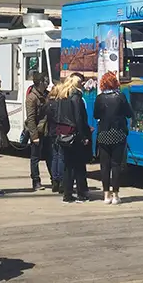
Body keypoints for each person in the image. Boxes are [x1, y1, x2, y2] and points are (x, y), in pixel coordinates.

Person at [94, 72, 134, 205]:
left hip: (103, 134)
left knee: (104, 165)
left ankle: (106, 195)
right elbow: (129, 113)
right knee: (116, 164)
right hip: (118, 133)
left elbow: (95, 115)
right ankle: (116, 195)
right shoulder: (120, 97)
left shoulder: (99, 98)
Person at [51, 73, 91, 203]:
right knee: (79, 165)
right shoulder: (76, 98)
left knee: (68, 165)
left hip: (63, 134)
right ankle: (81, 193)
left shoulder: (61, 97)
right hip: (75, 135)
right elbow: (79, 118)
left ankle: (67, 193)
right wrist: (84, 135)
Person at [25, 71, 51, 192]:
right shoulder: (32, 98)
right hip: (38, 131)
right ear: (40, 83)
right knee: (35, 158)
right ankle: (36, 181)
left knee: (50, 156)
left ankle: (55, 179)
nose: (48, 84)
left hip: (48, 130)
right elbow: (30, 118)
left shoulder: (47, 94)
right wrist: (34, 136)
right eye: (46, 81)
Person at [45, 84, 65, 194]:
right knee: (61, 156)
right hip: (59, 131)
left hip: (51, 131)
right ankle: (61, 180)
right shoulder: (59, 104)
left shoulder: (48, 103)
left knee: (54, 156)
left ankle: (54, 181)